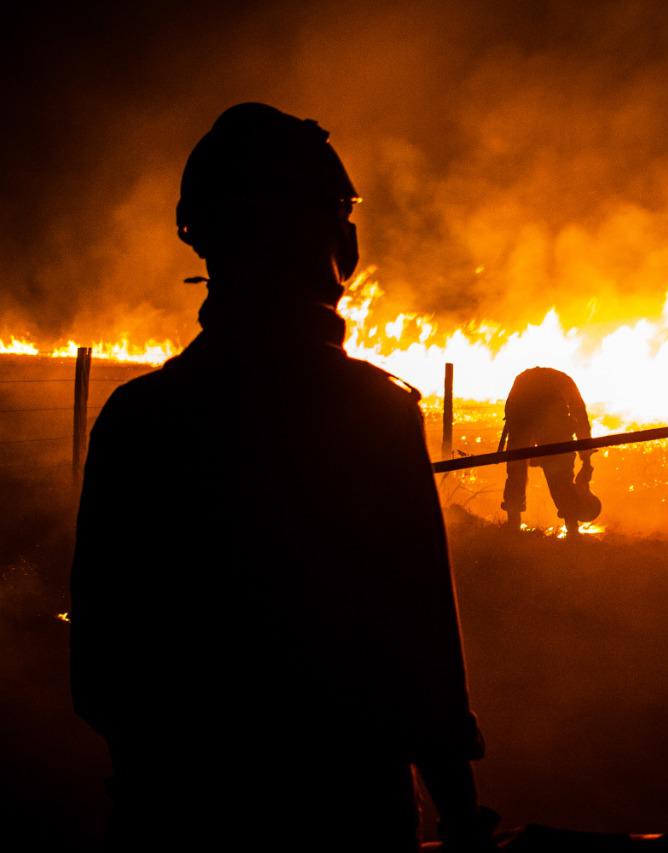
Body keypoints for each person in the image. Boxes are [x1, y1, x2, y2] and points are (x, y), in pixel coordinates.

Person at [70, 103, 495, 852]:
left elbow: (101, 670)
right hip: (340, 819)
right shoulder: (372, 414)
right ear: (320, 237)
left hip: (169, 822)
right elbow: (424, 655)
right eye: (342, 213)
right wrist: (463, 821)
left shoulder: (138, 418)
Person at [499, 367, 597, 538]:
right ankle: (572, 529)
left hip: (521, 406)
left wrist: (535, 456)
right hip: (528, 409)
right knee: (559, 472)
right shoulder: (564, 383)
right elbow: (580, 415)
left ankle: (513, 526)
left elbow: (578, 414)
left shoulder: (534, 381)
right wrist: (585, 457)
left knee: (517, 467)